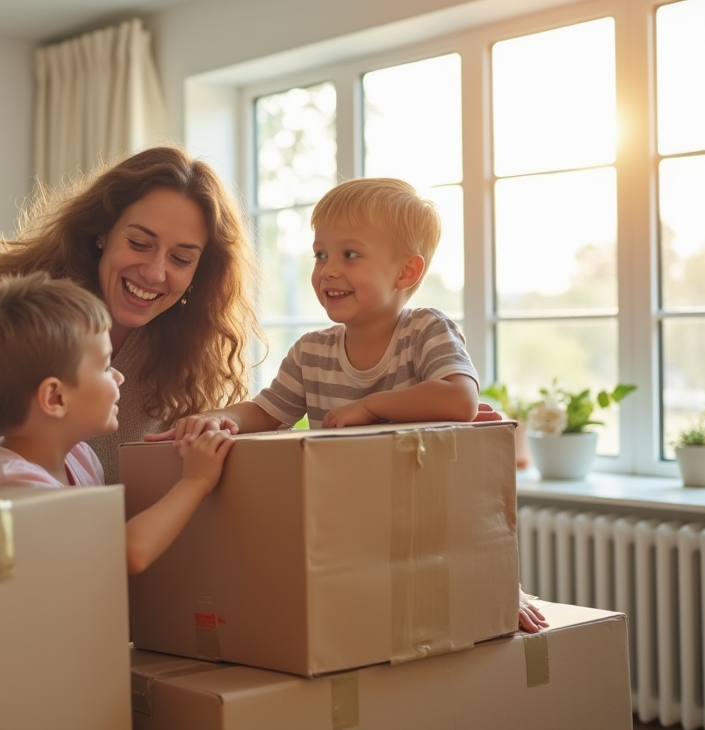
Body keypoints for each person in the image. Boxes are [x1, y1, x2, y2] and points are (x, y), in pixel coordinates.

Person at [149, 177, 547, 633]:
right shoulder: (310, 351)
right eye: (321, 255)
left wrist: (373, 406)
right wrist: (219, 417)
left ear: (407, 273)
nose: (327, 271)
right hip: (348, 519)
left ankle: (498, 584)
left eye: (349, 255)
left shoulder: (426, 331)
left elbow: (459, 398)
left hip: (432, 521)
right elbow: (266, 410)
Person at [0, 146, 260, 487]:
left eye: (181, 259)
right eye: (139, 244)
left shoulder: (188, 358)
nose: (154, 272)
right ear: (102, 230)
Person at [0, 273, 232, 573]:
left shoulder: (80, 457)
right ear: (55, 398)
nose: (119, 376)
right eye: (106, 366)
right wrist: (195, 481)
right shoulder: (13, 485)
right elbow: (127, 552)